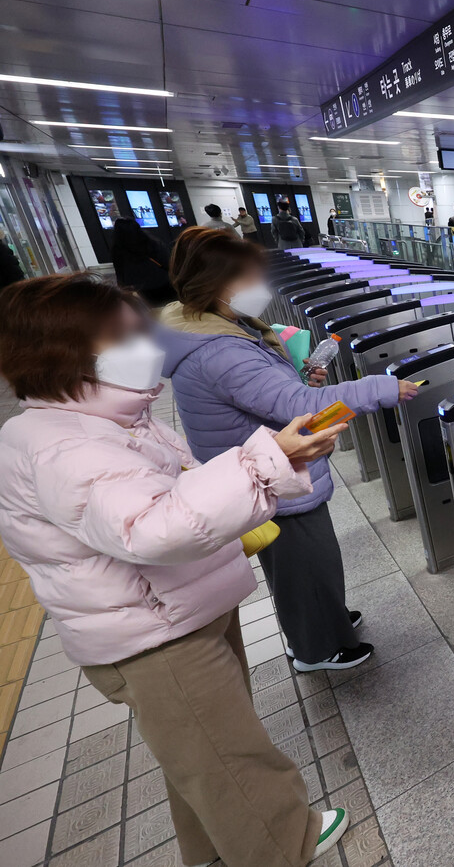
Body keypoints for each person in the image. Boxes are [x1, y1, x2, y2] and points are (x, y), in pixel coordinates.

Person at [0, 274, 353, 867]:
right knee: (230, 754)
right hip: (156, 632)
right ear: (64, 354)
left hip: (173, 608)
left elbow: (171, 492)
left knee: (199, 755)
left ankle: (212, 849)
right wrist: (266, 461)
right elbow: (152, 528)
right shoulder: (64, 446)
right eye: (122, 334)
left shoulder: (100, 420)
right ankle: (282, 844)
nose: (145, 342)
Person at [160, 228, 421, 671]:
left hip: (263, 466)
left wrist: (295, 379)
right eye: (250, 276)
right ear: (220, 283)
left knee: (308, 565)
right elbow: (300, 408)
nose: (261, 286)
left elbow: (273, 396)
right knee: (304, 566)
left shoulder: (210, 327)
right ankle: (316, 649)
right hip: (272, 478)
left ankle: (323, 622)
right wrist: (383, 388)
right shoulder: (220, 349)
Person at [111, 216, 176, 307]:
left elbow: (120, 272)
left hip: (141, 290)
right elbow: (167, 262)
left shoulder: (118, 250)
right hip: (163, 282)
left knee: (154, 313)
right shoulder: (152, 243)